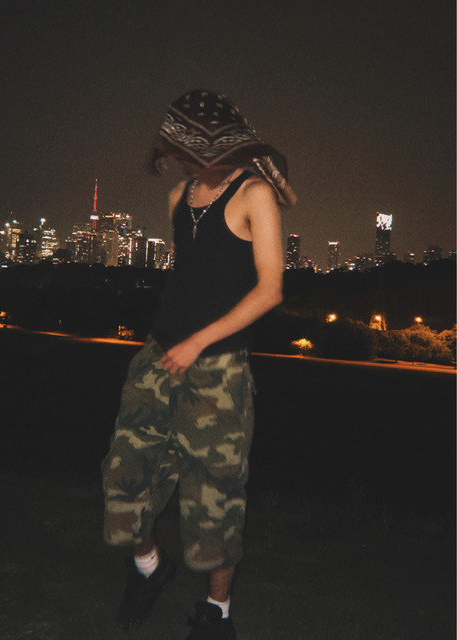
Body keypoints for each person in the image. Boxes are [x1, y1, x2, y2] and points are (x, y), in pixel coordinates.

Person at [101, 89, 296, 639]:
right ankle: (149, 568)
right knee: (124, 477)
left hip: (219, 373)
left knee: (214, 497)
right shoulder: (177, 198)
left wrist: (198, 342)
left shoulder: (254, 193)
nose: (185, 163)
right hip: (158, 357)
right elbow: (191, 279)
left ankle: (216, 614)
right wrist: (170, 344)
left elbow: (270, 290)